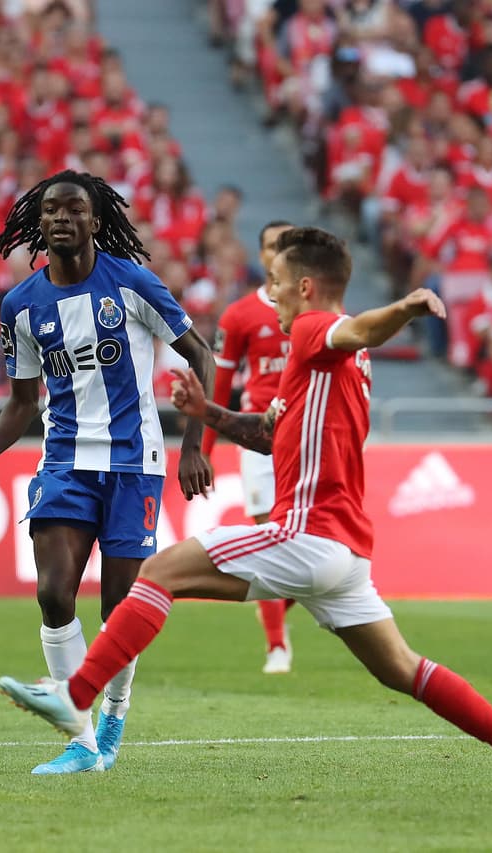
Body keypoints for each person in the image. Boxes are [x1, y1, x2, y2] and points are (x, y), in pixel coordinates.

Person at [0, 227, 492, 798]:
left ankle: (76, 698)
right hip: (345, 552)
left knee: (158, 572)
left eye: (275, 283)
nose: (269, 296)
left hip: (305, 532)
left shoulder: (318, 329)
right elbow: (271, 435)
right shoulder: (321, 364)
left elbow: (359, 328)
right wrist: (208, 413)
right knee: (403, 668)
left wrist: (406, 307)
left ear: (305, 286)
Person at [0, 171, 214, 774]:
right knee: (52, 592)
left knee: (119, 612)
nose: (61, 218)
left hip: (133, 463)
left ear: (95, 220)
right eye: (50, 211)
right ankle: (81, 739)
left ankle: (115, 712)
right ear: (37, 223)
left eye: (74, 209)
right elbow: (22, 402)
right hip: (64, 461)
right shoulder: (20, 305)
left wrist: (195, 444)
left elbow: (201, 353)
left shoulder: (131, 283)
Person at [204, 219, 299, 674]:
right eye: (273, 245)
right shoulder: (240, 315)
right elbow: (220, 385)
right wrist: (204, 449)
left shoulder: (318, 310)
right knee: (270, 537)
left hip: (310, 437)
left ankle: (279, 608)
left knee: (313, 545)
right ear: (261, 255)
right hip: (260, 438)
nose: (280, 251)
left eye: (289, 244)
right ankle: (277, 646)